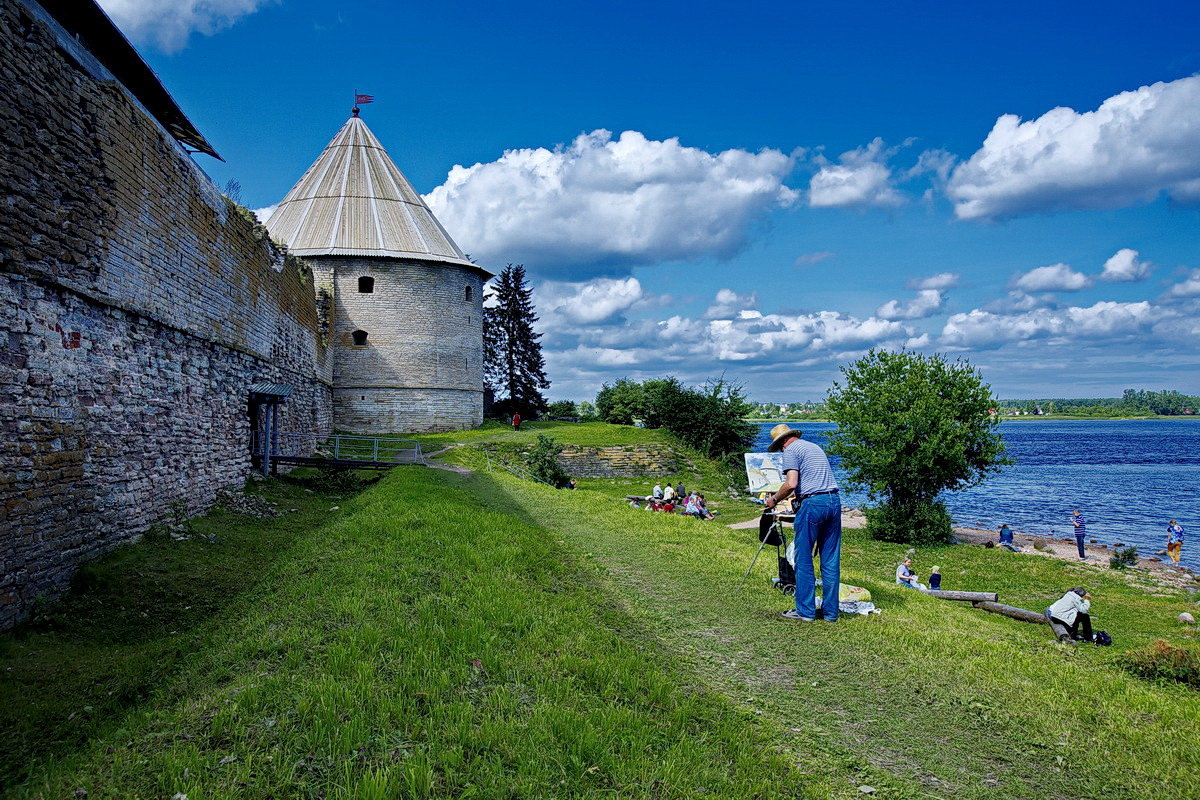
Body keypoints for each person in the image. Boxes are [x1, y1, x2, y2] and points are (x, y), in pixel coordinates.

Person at [764, 424, 841, 622]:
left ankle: (805, 611)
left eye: (779, 447)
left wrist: (774, 500)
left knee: (804, 558)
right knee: (830, 560)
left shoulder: (791, 451)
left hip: (813, 503)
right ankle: (831, 613)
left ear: (782, 442)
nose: (781, 450)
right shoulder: (813, 447)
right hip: (833, 501)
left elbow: (791, 483)